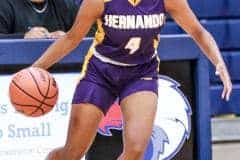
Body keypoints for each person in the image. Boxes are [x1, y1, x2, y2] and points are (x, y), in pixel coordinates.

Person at [31, 0, 232, 159]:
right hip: (101, 73)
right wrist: (35, 68)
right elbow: (71, 38)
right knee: (73, 153)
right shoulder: (98, 1)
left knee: (136, 148)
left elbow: (198, 31)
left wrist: (219, 62)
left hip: (140, 73)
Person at [0, 0, 78, 39]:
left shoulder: (66, 4)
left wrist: (69, 37)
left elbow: (88, 39)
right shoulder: (4, 4)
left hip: (61, 64)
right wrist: (24, 36)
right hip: (17, 66)